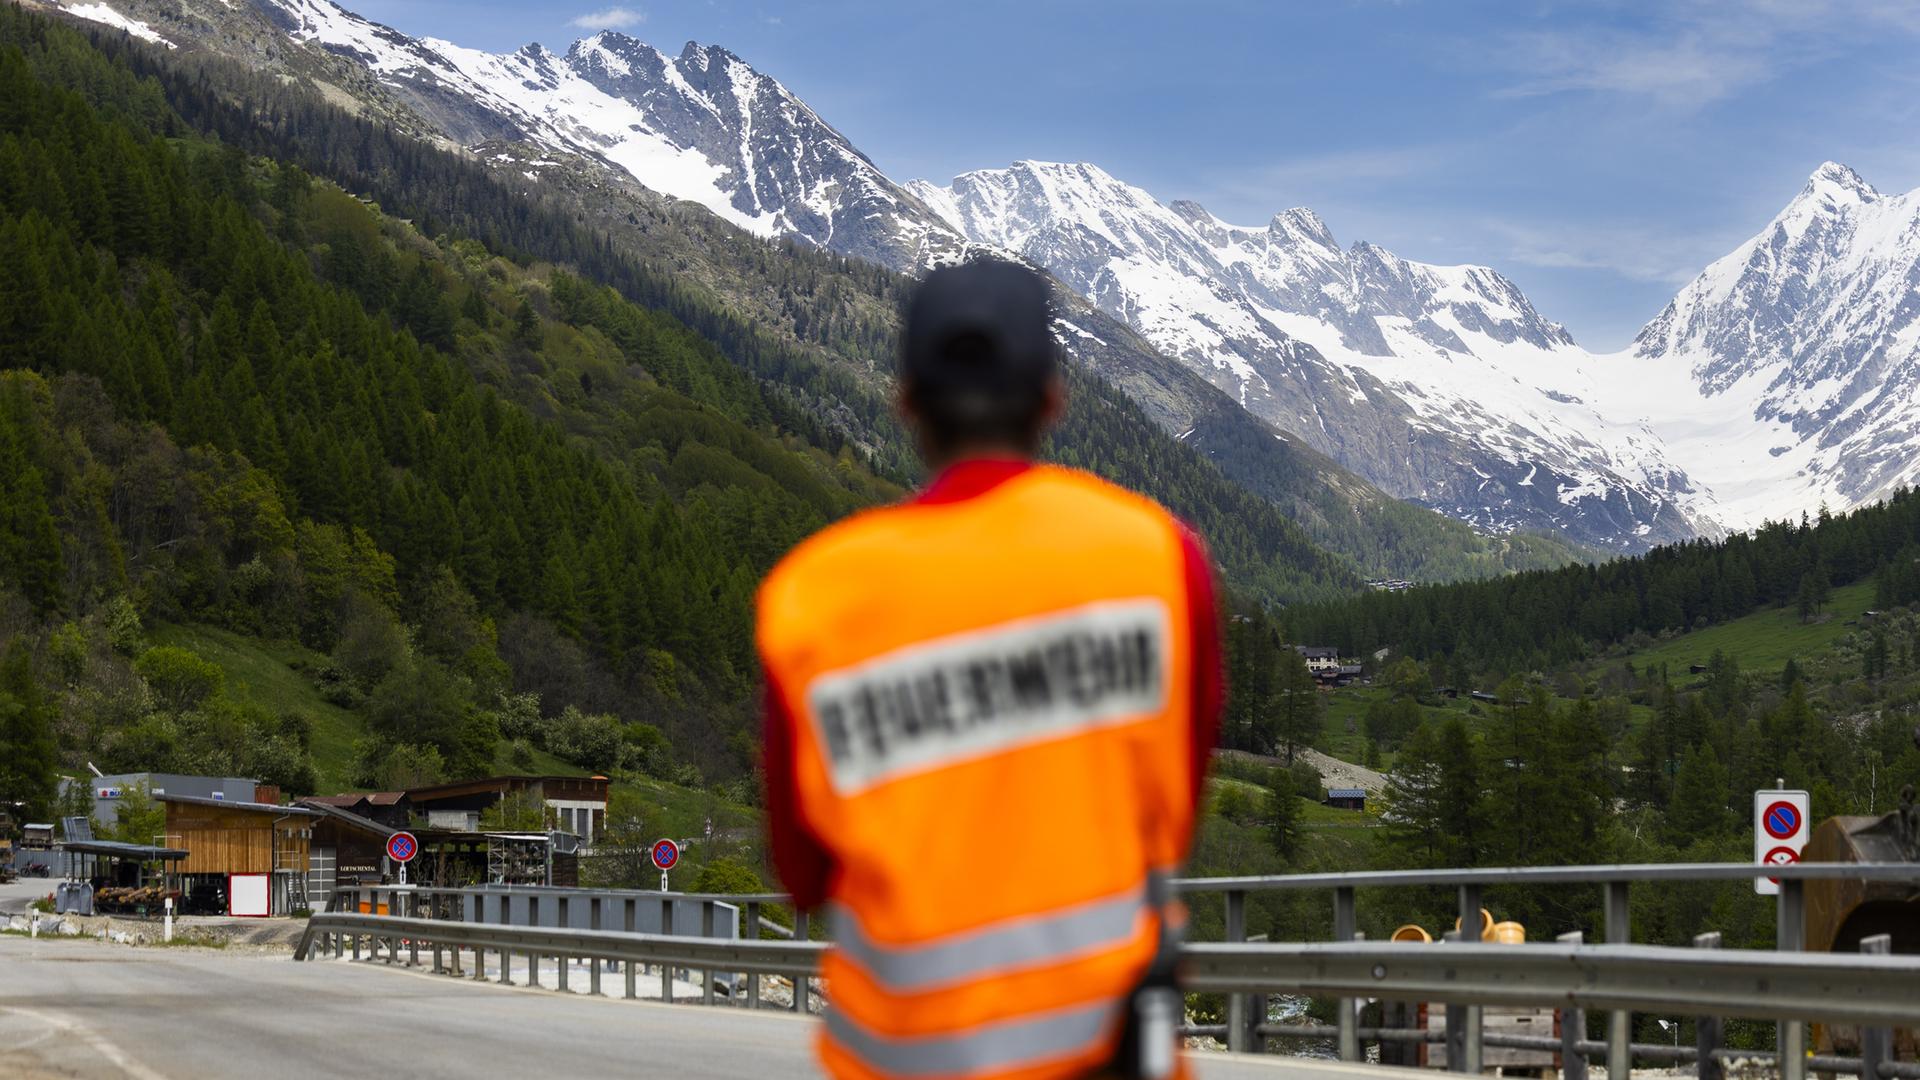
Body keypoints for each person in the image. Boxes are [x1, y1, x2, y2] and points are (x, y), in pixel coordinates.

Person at [758, 260, 1224, 1079]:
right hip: (1110, 1054)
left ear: (906, 403)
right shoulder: (1154, 556)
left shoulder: (813, 595)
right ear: (1053, 398)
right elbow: (1170, 812)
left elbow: (803, 874)